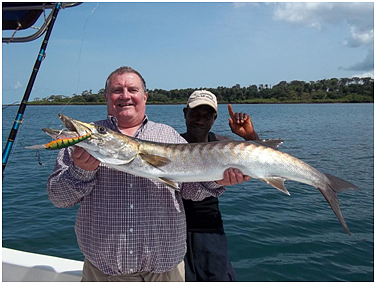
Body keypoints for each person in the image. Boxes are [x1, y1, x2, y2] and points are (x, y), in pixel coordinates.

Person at [47, 66, 250, 282]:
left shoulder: (168, 135)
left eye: (132, 90)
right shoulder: (84, 140)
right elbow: (59, 198)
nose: (125, 96)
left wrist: (217, 181)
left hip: (165, 272)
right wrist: (81, 171)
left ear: (144, 96)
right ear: (106, 97)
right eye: (117, 90)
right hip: (103, 273)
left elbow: (192, 191)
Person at [181, 90, 259, 281]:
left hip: (209, 226)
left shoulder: (224, 143)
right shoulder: (172, 142)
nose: (200, 120)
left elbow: (262, 159)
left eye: (207, 115)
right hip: (173, 228)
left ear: (215, 118)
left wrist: (249, 135)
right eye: (195, 114)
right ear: (185, 113)